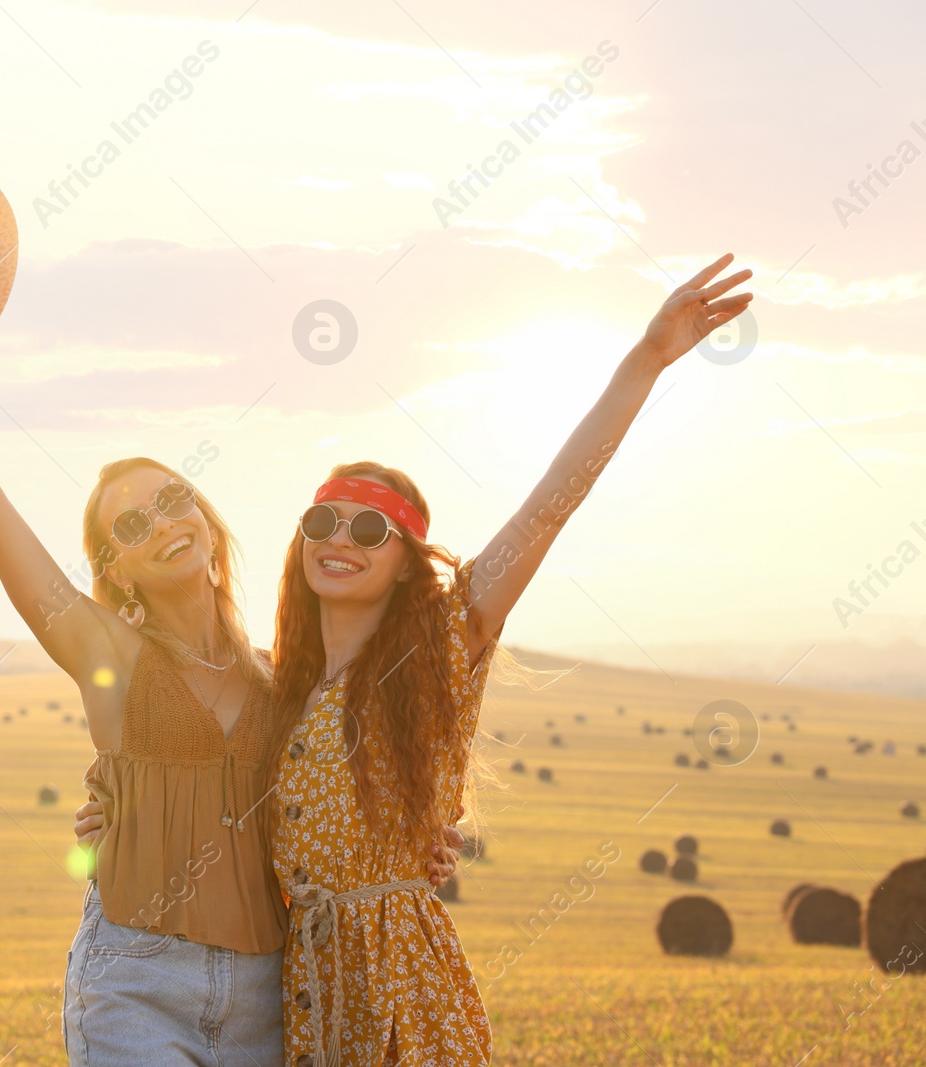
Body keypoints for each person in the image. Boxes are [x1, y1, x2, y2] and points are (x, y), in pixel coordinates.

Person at [0, 289, 463, 1067]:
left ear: (202, 513)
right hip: (136, 985)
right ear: (117, 570)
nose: (163, 523)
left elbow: (340, 797)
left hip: (274, 997)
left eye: (173, 500)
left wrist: (420, 846)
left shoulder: (284, 680)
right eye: (131, 524)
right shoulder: (105, 651)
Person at [266, 253, 754, 1067]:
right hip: (294, 992)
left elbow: (553, 502)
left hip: (401, 992)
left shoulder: (440, 648)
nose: (340, 542)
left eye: (369, 529)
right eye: (324, 523)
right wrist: (113, 803)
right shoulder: (274, 689)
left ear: (407, 561)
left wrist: (647, 357)